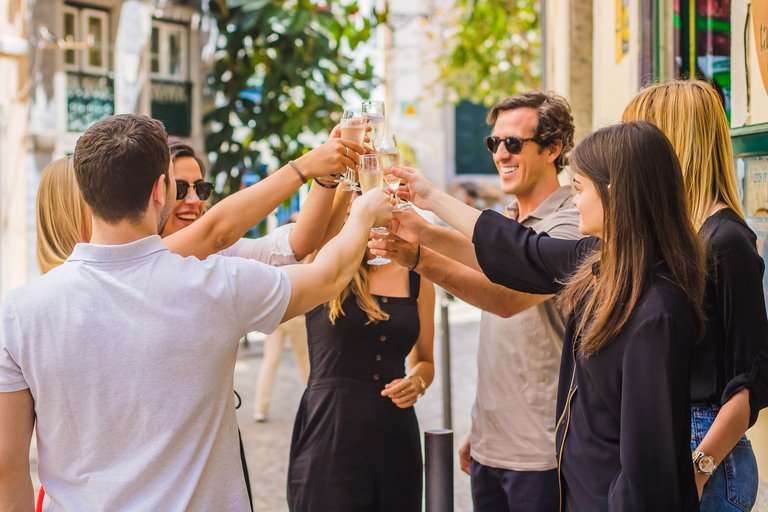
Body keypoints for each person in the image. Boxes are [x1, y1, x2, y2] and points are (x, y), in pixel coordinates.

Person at [0, 114, 393, 512]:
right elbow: (327, 277)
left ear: (86, 191)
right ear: (160, 189)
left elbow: (6, 467)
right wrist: (363, 214)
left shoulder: (17, 313)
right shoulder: (218, 285)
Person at [386, 121, 705, 511]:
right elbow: (519, 251)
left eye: (580, 189)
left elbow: (647, 470)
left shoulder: (658, 311)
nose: (575, 202)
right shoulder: (599, 260)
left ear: (615, 193)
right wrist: (429, 203)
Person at [368, 91, 582, 512]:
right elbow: (490, 263)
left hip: (543, 455)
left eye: (514, 143)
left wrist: (416, 254)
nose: (501, 153)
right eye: (494, 143)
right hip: (491, 447)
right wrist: (482, 428)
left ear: (553, 149)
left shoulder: (571, 222)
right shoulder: (507, 224)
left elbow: (504, 299)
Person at [623, 80, 768, 510]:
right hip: (673, 439)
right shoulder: (684, 236)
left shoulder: (726, 241)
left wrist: (699, 467)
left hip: (707, 454)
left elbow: (752, 380)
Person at [36, 127, 360, 273]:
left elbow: (298, 244)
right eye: (179, 187)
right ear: (158, 191)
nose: (193, 199)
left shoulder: (217, 254)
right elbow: (217, 229)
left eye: (201, 188)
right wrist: (306, 167)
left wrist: (326, 176)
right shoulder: (133, 261)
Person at [287, 194, 436, 512]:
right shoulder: (326, 266)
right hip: (330, 432)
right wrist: (349, 180)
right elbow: (319, 225)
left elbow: (425, 361)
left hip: (395, 437)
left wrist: (417, 383)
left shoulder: (418, 278)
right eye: (356, 208)